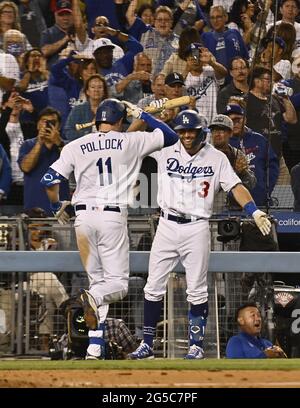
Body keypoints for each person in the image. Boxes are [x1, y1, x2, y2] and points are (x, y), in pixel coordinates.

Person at [40, 98, 179, 360]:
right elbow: (170, 136)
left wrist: (57, 206)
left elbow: (49, 180)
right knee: (116, 285)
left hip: (82, 221)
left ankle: (94, 348)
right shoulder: (131, 140)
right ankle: (89, 297)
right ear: (120, 121)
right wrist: (143, 115)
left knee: (99, 283)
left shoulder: (75, 145)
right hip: (111, 218)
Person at [128, 109, 271, 360]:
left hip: (197, 227)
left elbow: (235, 186)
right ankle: (147, 343)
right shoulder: (166, 148)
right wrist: (143, 115)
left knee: (197, 290)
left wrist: (254, 211)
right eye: (182, 130)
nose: (186, 135)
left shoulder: (216, 158)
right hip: (167, 225)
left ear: (201, 132)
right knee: (152, 288)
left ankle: (196, 346)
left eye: (191, 130)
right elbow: (128, 141)